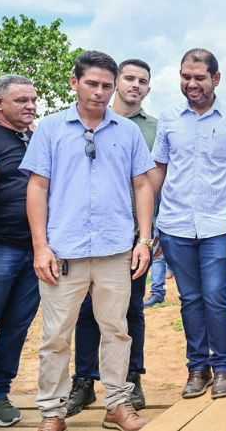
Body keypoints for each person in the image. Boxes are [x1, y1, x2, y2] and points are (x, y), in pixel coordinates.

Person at [20, 51, 155, 431]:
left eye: (105, 86)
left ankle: (117, 404)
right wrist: (40, 245)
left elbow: (142, 184)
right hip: (64, 250)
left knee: (116, 328)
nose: (98, 92)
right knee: (56, 335)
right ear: (74, 82)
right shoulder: (50, 129)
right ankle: (52, 410)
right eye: (91, 84)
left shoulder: (127, 132)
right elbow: (38, 186)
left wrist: (143, 240)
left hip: (115, 249)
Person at [149, 48, 226, 400]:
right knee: (189, 298)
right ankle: (197, 368)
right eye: (185, 77)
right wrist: (148, 222)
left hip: (219, 224)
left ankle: (222, 368)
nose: (191, 84)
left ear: (215, 79)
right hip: (175, 224)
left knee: (217, 296)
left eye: (199, 77)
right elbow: (158, 169)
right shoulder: (169, 118)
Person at [68, 59, 158, 417]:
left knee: (131, 311)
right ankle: (84, 381)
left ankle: (131, 378)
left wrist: (149, 235)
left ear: (149, 88)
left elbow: (151, 184)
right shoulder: (84, 124)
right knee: (86, 311)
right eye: (129, 78)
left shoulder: (152, 128)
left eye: (143, 81)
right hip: (84, 237)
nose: (135, 85)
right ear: (116, 82)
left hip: (132, 237)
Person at [0, 75, 37, 427]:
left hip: (36, 251)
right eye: (21, 101)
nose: (30, 106)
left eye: (33, 99)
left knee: (17, 327)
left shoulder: (36, 136)